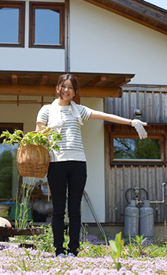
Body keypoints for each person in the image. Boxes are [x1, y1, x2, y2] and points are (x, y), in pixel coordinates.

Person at [36, 74, 147, 258]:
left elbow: (104, 115)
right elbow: (37, 137)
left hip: (78, 164)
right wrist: (51, 127)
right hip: (56, 163)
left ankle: (73, 250)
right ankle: (59, 251)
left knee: (74, 209)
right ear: (57, 88)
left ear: (75, 92)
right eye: (63, 86)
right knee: (58, 209)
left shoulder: (78, 110)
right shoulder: (46, 110)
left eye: (70, 87)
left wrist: (131, 122)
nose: (66, 90)